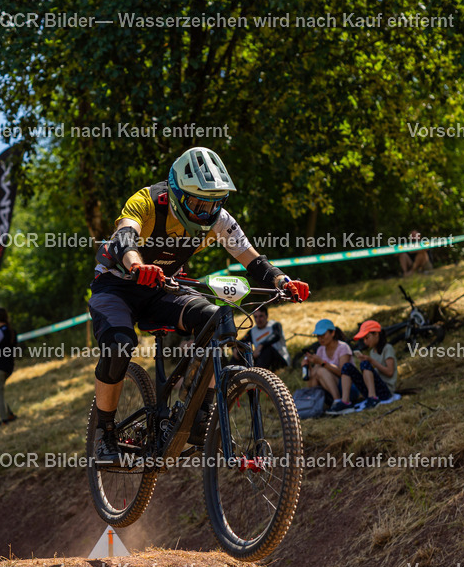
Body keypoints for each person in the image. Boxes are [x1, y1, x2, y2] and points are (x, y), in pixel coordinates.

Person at [89, 146, 310, 464]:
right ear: (177, 192)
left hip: (161, 289)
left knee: (216, 318)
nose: (205, 211)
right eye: (197, 202)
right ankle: (105, 434)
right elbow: (124, 236)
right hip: (116, 287)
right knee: (120, 344)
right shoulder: (147, 201)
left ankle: (198, 413)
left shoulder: (218, 219)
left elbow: (254, 260)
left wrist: (283, 282)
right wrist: (137, 265)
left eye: (214, 203)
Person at [300, 319, 356, 415]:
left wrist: (323, 363)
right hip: (331, 389)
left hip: (349, 389)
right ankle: (317, 403)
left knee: (320, 370)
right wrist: (308, 366)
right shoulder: (320, 350)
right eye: (318, 336)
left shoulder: (343, 347)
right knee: (317, 370)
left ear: (333, 333)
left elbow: (344, 372)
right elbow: (312, 383)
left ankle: (338, 401)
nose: (320, 339)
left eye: (323, 335)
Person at [341, 320, 399, 411]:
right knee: (347, 367)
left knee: (365, 364)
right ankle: (345, 401)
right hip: (374, 387)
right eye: (363, 339)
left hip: (385, 390)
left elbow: (390, 372)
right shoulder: (372, 352)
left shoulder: (387, 348)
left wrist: (371, 362)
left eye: (367, 338)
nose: (365, 342)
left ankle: (373, 398)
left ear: (376, 334)